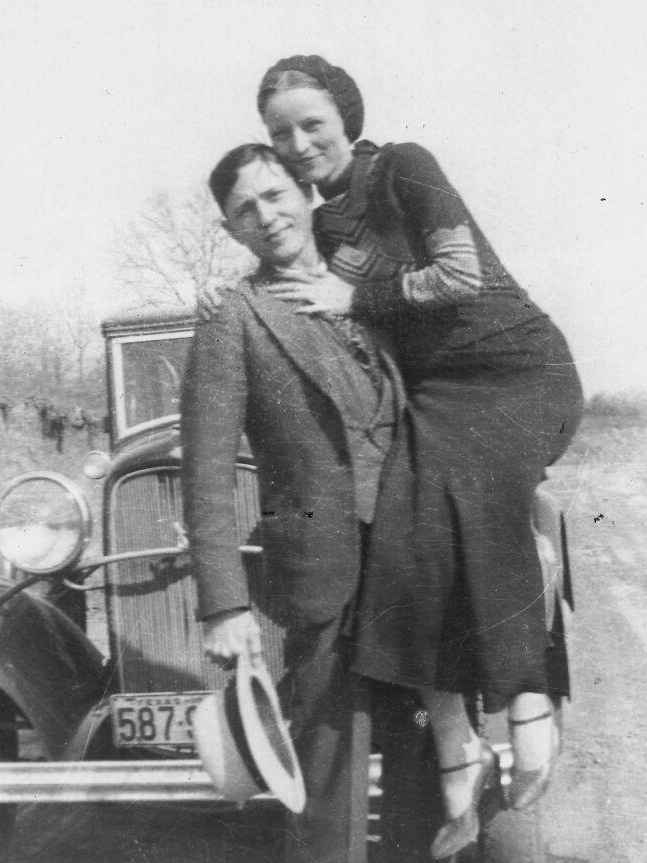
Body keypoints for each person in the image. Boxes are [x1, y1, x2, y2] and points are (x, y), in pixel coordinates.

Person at [248, 55, 584, 859]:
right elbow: (296, 287)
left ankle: (529, 709)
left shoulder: (406, 166)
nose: (298, 144)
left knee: (472, 492)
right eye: (280, 133)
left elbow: (460, 274)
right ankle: (456, 745)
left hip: (517, 370)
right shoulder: (324, 224)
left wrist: (357, 296)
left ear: (345, 118)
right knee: (400, 538)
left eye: (312, 125)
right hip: (433, 396)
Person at [181, 143, 436, 863]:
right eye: (244, 211)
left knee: (427, 756)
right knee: (328, 777)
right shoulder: (232, 316)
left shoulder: (376, 286)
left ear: (305, 192)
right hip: (323, 574)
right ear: (231, 232)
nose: (266, 216)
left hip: (414, 559)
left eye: (274, 194)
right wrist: (225, 604)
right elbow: (203, 472)